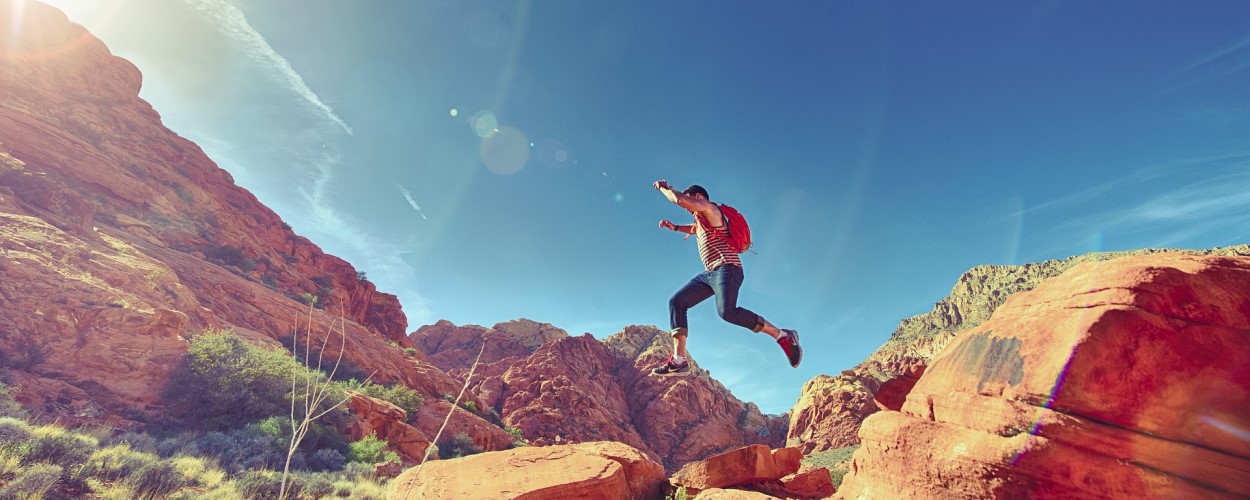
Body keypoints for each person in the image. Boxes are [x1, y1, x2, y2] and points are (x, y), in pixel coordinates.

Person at [651, 179, 801, 376]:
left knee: (727, 312)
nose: (689, 209)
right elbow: (694, 228)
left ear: (697, 197)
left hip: (728, 269)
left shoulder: (710, 209)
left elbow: (679, 200)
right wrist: (675, 227)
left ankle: (783, 336)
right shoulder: (701, 221)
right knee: (677, 302)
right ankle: (679, 361)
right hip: (710, 274)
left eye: (691, 202)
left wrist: (664, 188)